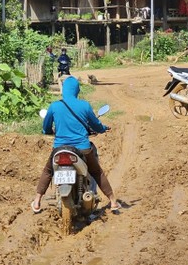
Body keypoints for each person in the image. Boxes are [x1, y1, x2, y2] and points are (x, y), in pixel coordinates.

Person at [31, 76, 121, 214]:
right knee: (97, 172)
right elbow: (95, 125)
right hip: (82, 149)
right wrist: (103, 128)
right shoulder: (84, 105)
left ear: (64, 90)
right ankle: (113, 201)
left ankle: (37, 201)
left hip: (59, 149)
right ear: (76, 90)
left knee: (48, 171)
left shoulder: (54, 106)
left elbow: (46, 127)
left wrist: (49, 131)